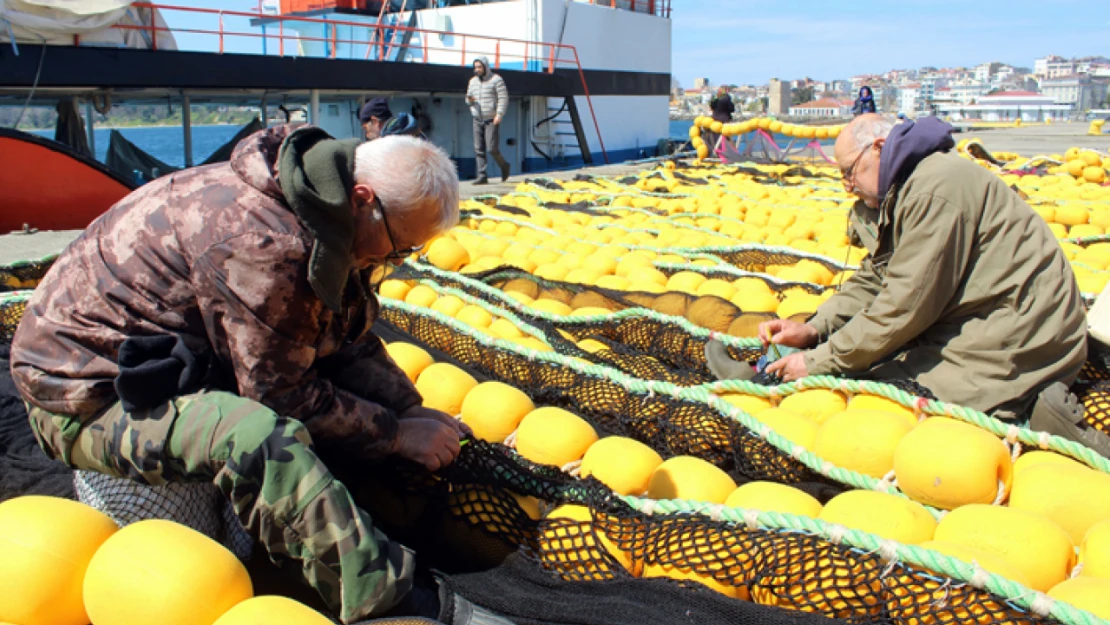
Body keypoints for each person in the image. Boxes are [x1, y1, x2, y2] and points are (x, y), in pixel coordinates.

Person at [10, 124, 512, 625]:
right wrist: (396, 435)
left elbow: (341, 337)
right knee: (254, 435)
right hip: (83, 395)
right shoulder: (265, 242)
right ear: (364, 198)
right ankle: (382, 598)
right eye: (400, 247)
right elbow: (281, 397)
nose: (393, 260)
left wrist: (407, 407)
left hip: (160, 360)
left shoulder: (319, 202)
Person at [705, 114, 1089, 437]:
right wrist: (816, 329)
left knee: (885, 402)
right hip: (978, 319)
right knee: (858, 366)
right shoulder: (905, 187)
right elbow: (876, 278)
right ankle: (761, 382)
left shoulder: (934, 189)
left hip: (1018, 337)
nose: (847, 185)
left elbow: (903, 306)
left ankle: (1043, 419)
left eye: (849, 172)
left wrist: (818, 361)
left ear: (878, 148)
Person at [465, 56, 510, 184]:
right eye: (475, 67)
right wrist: (469, 100)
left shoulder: (496, 80)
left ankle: (504, 166)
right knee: (478, 148)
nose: (477, 70)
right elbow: (467, 99)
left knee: (492, 148)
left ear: (485, 67)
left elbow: (503, 98)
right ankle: (482, 175)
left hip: (491, 118)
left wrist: (499, 114)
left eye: (479, 67)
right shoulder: (472, 81)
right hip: (477, 118)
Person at [706, 86, 735, 153]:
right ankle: (730, 152)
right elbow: (732, 109)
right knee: (727, 138)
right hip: (724, 120)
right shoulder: (727, 98)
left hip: (714, 120)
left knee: (715, 137)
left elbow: (712, 107)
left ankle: (714, 151)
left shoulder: (715, 99)